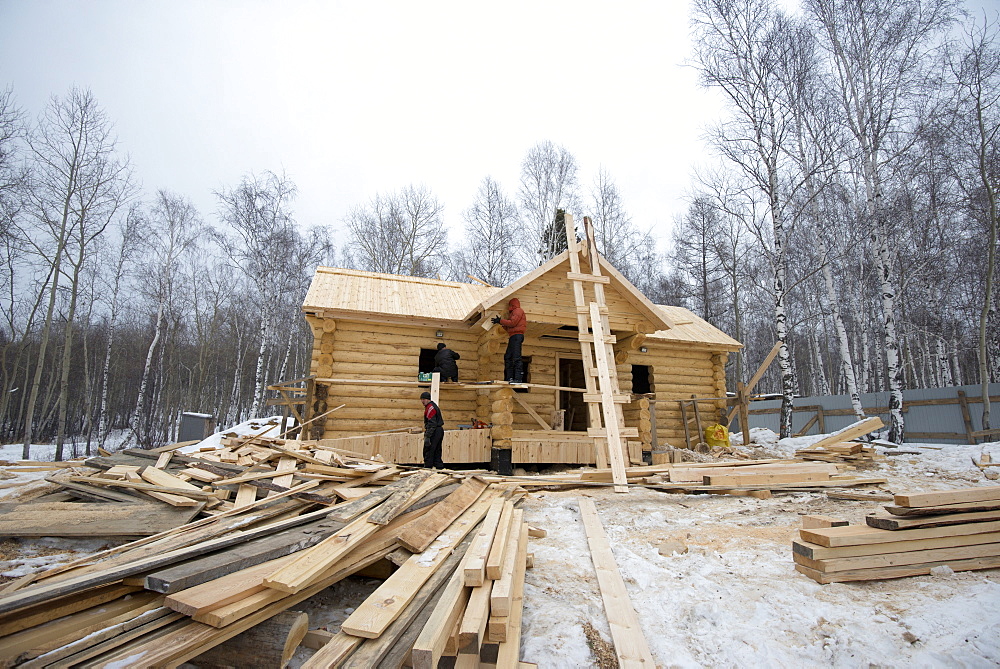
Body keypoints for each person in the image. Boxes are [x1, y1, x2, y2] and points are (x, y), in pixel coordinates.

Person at [492, 297, 526, 383]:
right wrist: (500, 322)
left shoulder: (518, 310)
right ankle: (509, 378)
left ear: (512, 305)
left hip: (517, 336)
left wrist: (501, 321)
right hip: (513, 336)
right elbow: (510, 328)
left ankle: (518, 378)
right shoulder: (514, 312)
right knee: (508, 357)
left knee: (516, 357)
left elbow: (512, 323)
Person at [420, 391, 445, 469]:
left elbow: (432, 423)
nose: (422, 401)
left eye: (423, 399)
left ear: (427, 399)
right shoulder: (433, 406)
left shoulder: (430, 408)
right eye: (421, 399)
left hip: (434, 431)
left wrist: (428, 436)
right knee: (437, 450)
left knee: (429, 450)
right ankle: (439, 467)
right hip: (439, 430)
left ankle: (428, 467)